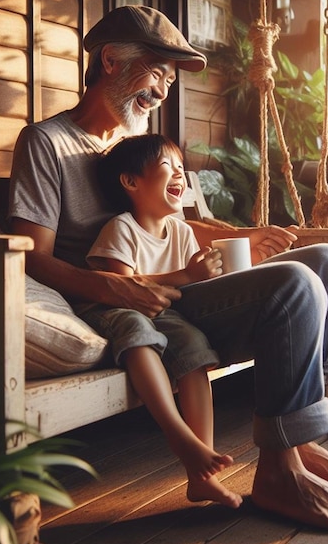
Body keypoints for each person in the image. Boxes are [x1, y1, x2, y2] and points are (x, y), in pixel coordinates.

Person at [8, 5, 328, 532]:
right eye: (157, 73)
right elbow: (34, 255)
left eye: (169, 79)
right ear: (111, 61)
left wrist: (243, 237)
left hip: (183, 288)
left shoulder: (144, 145)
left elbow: (185, 226)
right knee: (296, 283)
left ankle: (302, 444)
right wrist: (120, 288)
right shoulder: (46, 143)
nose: (163, 90)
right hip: (141, 305)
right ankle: (280, 472)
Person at [82, 133, 240, 508]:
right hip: (115, 308)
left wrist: (209, 274)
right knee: (138, 330)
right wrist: (186, 276)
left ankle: (204, 472)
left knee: (194, 347)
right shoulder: (121, 228)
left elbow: (192, 286)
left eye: (182, 169)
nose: (180, 176)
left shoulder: (182, 231)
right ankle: (180, 438)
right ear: (131, 181)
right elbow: (122, 289)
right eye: (168, 167)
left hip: (165, 312)